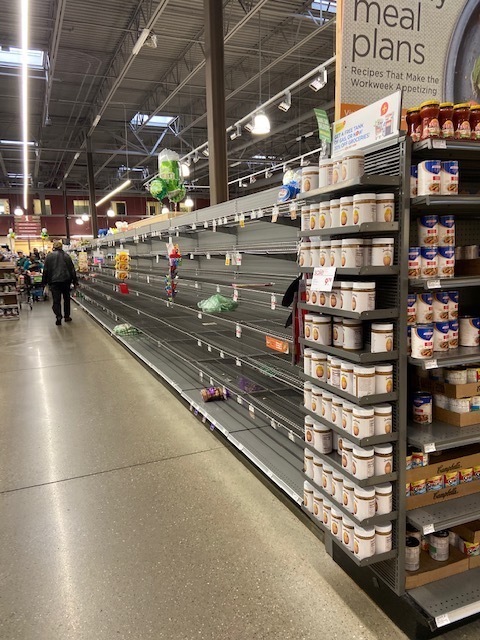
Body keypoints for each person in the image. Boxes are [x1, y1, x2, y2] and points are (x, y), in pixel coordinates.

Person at [42, 240, 78, 325]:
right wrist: (75, 281)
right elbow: (72, 270)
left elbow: (45, 270)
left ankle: (58, 316)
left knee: (56, 300)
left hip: (54, 282)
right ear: (61, 247)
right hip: (66, 281)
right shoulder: (67, 256)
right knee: (66, 299)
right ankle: (67, 316)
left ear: (54, 247)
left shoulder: (49, 256)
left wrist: (44, 282)